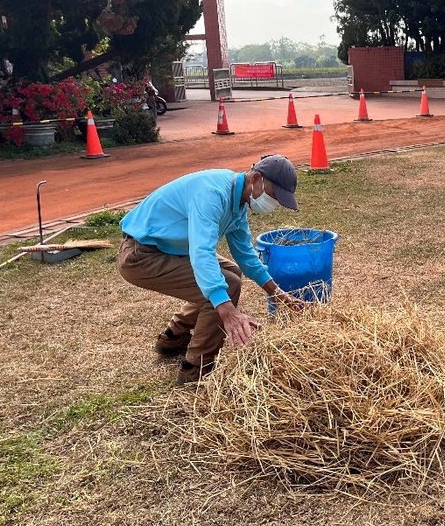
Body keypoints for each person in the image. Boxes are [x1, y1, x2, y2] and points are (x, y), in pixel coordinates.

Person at [118, 154, 305, 384]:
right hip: (141, 254)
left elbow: (246, 257)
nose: (273, 204)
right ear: (256, 179)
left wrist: (278, 294)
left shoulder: (237, 204)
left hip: (169, 247)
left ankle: (174, 336)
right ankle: (196, 367)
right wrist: (227, 311)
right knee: (227, 284)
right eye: (274, 196)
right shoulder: (213, 194)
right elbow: (201, 252)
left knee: (232, 272)